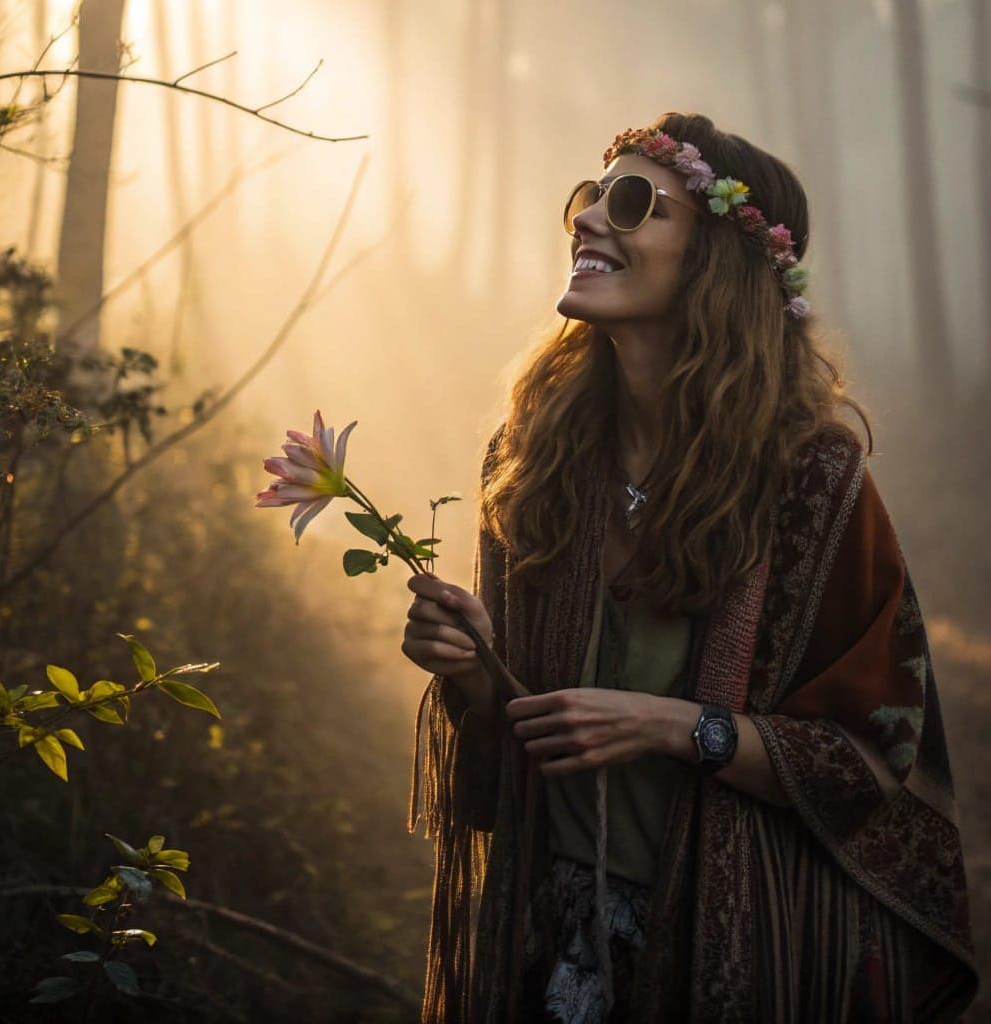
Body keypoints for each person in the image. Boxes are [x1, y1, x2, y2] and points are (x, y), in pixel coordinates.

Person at [401, 112, 978, 1023]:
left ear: (719, 261)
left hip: (729, 946)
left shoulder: (812, 481)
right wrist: (474, 672)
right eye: (590, 196)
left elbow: (872, 762)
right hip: (546, 933)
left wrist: (677, 727)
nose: (588, 218)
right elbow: (517, 746)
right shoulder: (532, 458)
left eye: (635, 202)